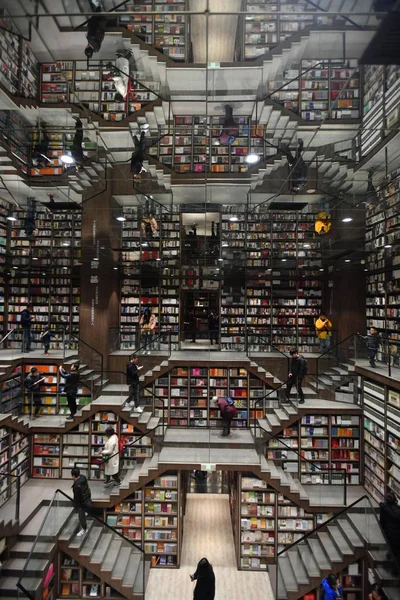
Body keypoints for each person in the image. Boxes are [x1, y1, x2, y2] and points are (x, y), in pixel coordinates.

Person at [71, 467, 92, 537]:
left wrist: (75, 505)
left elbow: (77, 497)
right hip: (87, 498)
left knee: (81, 516)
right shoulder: (83, 477)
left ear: (73, 475)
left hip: (82, 503)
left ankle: (84, 529)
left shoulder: (76, 485)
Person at [379, 492, 400, 563]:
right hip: (398, 532)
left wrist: (382, 528)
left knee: (392, 545)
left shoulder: (384, 508)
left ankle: (391, 557)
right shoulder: (398, 509)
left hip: (389, 531)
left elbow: (382, 521)